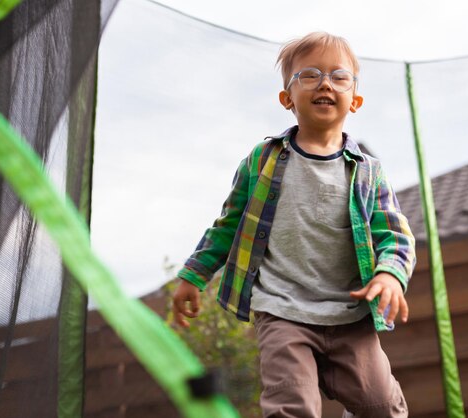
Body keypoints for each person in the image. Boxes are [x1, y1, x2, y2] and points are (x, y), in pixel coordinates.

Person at [172, 32, 416, 418]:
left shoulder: (368, 172)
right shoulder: (262, 161)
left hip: (349, 315)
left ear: (355, 100)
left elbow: (395, 235)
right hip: (282, 310)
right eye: (310, 75)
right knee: (292, 407)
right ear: (287, 98)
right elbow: (228, 225)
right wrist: (194, 275)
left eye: (339, 76)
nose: (325, 83)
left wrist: (389, 275)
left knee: (382, 407)